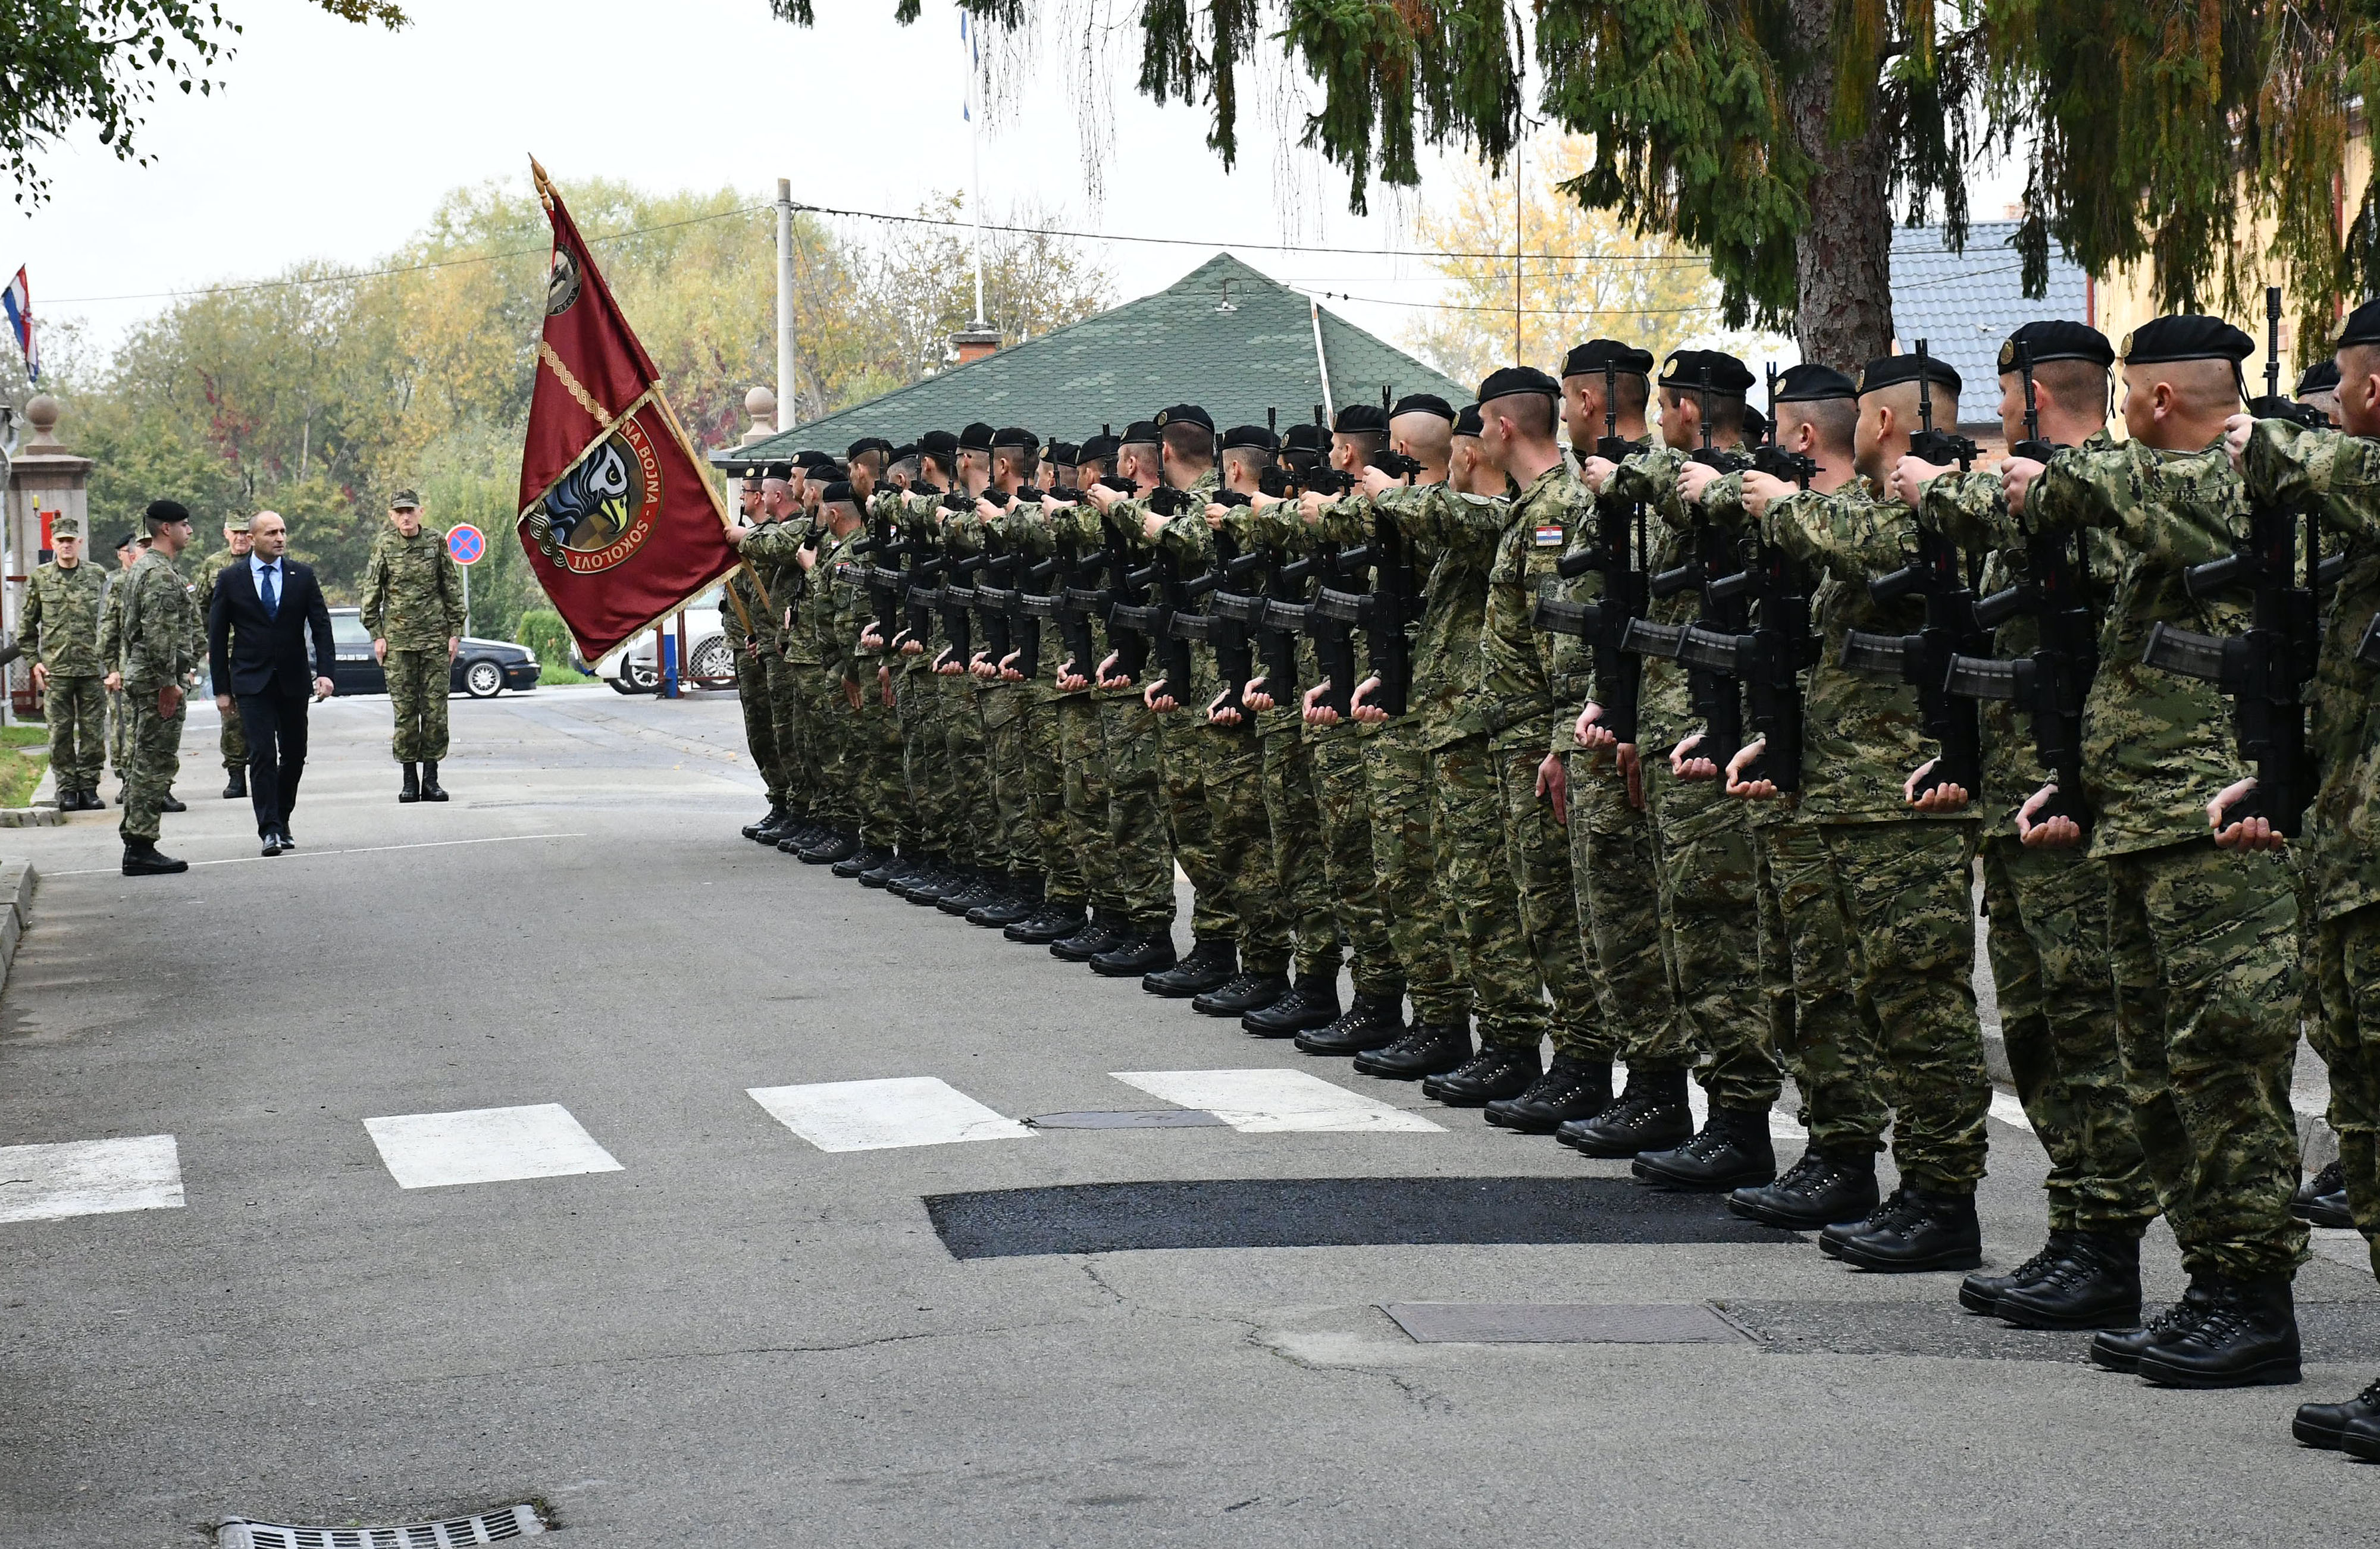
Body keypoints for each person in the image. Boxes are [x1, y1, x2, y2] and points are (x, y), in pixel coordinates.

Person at [206, 510, 336, 855]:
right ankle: (269, 829)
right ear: (252, 539)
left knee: (294, 755)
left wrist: (325, 672)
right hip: (251, 681)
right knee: (262, 754)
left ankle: (283, 816)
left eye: (283, 531)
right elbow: (217, 636)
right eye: (271, 533)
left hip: (293, 679)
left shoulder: (302, 575)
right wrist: (222, 689)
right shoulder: (231, 579)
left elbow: (321, 626)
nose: (280, 538)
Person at [113, 500, 201, 876]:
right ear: (166, 529)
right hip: (154, 681)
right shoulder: (160, 574)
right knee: (153, 763)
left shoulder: (143, 567)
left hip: (141, 674)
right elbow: (158, 634)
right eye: (185, 524)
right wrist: (169, 684)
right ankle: (140, 847)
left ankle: (137, 842)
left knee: (140, 761)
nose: (190, 531)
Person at [358, 488, 464, 802]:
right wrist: (377, 634)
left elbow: (451, 588)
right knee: (405, 713)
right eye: (399, 512)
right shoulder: (385, 546)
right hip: (399, 644)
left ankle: (431, 779)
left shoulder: (436, 542)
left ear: (421, 512)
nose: (405, 517)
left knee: (434, 712)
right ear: (392, 516)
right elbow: (371, 593)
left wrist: (454, 631)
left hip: (434, 641)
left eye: (410, 511)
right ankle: (408, 780)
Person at [21, 514, 109, 811]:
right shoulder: (41, 578)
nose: (67, 546)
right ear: (53, 544)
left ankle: (89, 787)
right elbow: (27, 627)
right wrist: (34, 662)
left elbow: (110, 622)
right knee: (60, 732)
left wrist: (110, 664)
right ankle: (67, 788)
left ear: (79, 543)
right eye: (61, 541)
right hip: (56, 670)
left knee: (93, 732)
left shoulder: (97, 575)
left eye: (71, 541)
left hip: (91, 668)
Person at [186, 513, 255, 798]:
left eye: (245, 533)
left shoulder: (263, 562)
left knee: (263, 713)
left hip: (259, 649)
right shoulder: (214, 566)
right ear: (225, 533)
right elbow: (200, 608)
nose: (240, 538)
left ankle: (265, 769)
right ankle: (236, 773)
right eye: (235, 533)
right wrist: (206, 644)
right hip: (226, 650)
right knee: (231, 714)